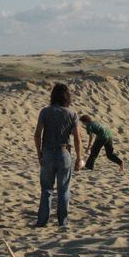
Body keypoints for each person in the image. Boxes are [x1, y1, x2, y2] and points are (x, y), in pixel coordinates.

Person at [34, 83, 82, 227]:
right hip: (64, 153)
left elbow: (37, 135)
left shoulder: (45, 112)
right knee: (64, 190)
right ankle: (63, 222)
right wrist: (79, 158)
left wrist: (39, 153)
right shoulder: (72, 114)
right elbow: (77, 138)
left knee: (46, 189)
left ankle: (42, 221)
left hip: (48, 152)